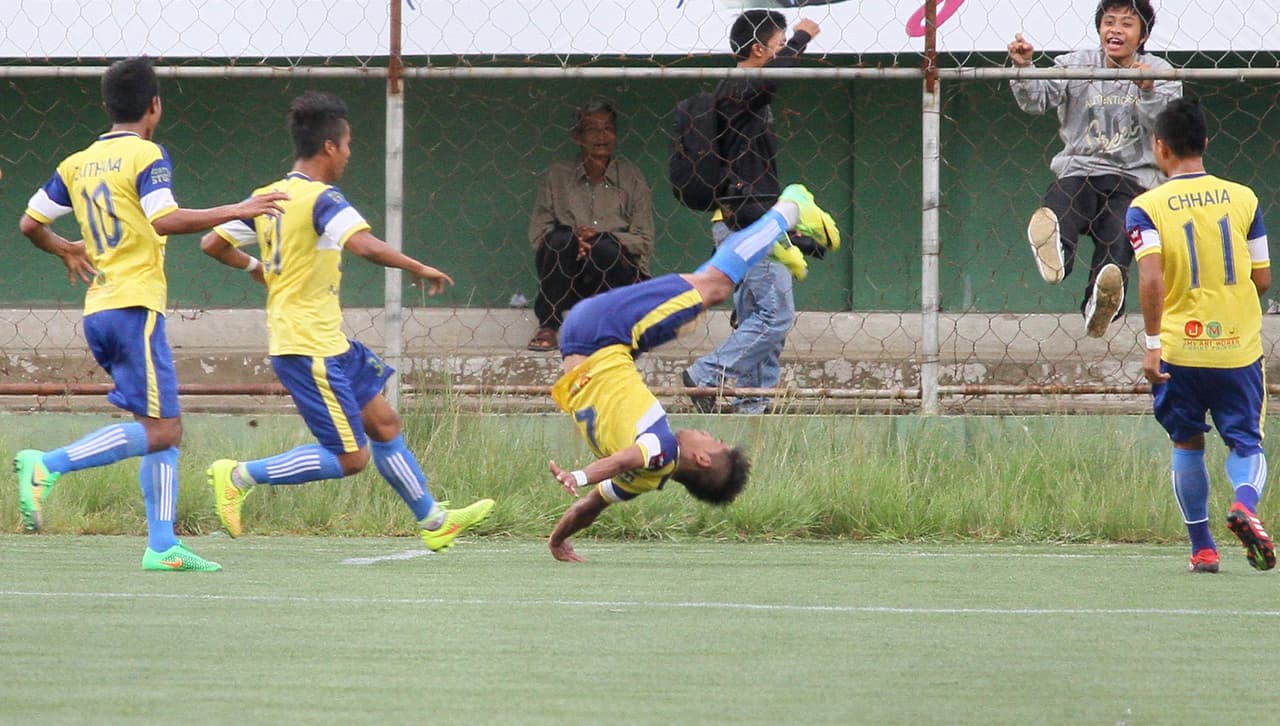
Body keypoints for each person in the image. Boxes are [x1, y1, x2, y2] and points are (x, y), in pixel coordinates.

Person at [14, 57, 287, 571]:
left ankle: (162, 546)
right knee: (164, 430)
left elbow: (30, 223)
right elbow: (164, 219)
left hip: (100, 310)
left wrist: (66, 249)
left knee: (159, 425)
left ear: (106, 106)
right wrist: (237, 209)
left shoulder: (76, 163)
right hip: (134, 308)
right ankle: (46, 465)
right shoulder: (146, 154)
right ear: (154, 106)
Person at [200, 91, 493, 552]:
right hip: (305, 346)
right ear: (330, 147)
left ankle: (434, 521)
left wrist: (258, 268)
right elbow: (365, 246)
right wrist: (418, 267)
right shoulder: (321, 198)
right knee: (351, 457)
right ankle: (237, 475)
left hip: (329, 340)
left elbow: (211, 245)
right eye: (349, 145)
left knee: (385, 424)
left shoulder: (269, 197)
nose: (351, 154)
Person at [547, 183, 838, 562]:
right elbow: (590, 508)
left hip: (602, 331)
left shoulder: (660, 450)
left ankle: (788, 210)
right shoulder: (641, 484)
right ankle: (765, 241)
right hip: (591, 346)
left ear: (701, 460)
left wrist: (580, 475)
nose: (705, 432)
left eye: (711, 440)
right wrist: (558, 539)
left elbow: (620, 462)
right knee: (696, 302)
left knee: (713, 288)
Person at [1128, 97, 1273, 573]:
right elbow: (1263, 279)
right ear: (1206, 144)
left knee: (1187, 442)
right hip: (1236, 347)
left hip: (1179, 349)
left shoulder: (1145, 206)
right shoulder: (1244, 197)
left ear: (1159, 147)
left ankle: (1203, 548)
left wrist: (1152, 346)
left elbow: (1150, 277)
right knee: (1246, 443)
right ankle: (1246, 505)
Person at [683, 10, 833, 414]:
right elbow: (772, 78)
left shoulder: (742, 96)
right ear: (757, 49)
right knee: (775, 316)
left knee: (756, 316)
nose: (786, 52)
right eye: (779, 45)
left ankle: (753, 405)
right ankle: (706, 375)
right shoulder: (739, 87)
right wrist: (801, 37)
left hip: (750, 219)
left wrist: (789, 231)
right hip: (743, 223)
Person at [1008, 0, 1181, 338]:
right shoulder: (1075, 64)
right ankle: (1057, 253)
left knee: (1119, 240)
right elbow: (1036, 101)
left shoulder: (1161, 71)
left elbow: (1166, 131)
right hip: (1081, 170)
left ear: (1143, 35)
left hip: (1133, 180)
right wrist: (1024, 67)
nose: (1115, 29)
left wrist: (1147, 91)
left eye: (1127, 23)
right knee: (1062, 203)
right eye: (1109, 21)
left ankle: (1098, 307)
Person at [526, 98, 656, 352]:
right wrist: (576, 243)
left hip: (616, 275)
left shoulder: (632, 177)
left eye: (608, 128)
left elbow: (644, 240)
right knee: (559, 241)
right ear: (578, 137)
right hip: (570, 275)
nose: (601, 136)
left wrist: (599, 240)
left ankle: (609, 328)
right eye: (593, 129)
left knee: (604, 248)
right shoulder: (558, 175)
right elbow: (538, 234)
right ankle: (549, 326)